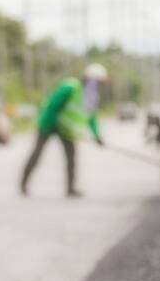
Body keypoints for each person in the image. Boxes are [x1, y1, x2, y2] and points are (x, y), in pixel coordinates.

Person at [20, 64, 106, 197]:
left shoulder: (92, 97)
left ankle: (70, 188)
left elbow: (91, 118)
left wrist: (97, 136)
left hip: (66, 131)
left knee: (71, 158)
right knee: (37, 153)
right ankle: (23, 184)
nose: (96, 85)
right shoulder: (70, 87)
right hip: (48, 125)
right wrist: (56, 123)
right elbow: (52, 106)